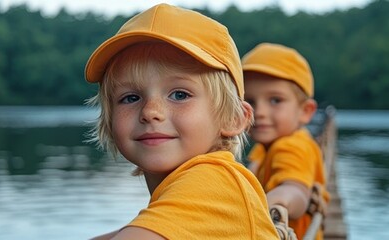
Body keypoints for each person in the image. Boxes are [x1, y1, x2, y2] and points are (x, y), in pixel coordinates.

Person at [84, 4, 278, 239]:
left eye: (179, 95)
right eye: (131, 98)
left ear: (233, 118)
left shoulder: (215, 182)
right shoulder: (184, 200)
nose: (150, 112)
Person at [243, 43, 331, 240]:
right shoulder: (265, 147)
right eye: (250, 101)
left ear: (305, 111)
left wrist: (277, 201)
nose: (260, 112)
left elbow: (296, 190)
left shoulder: (292, 146)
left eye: (275, 100)